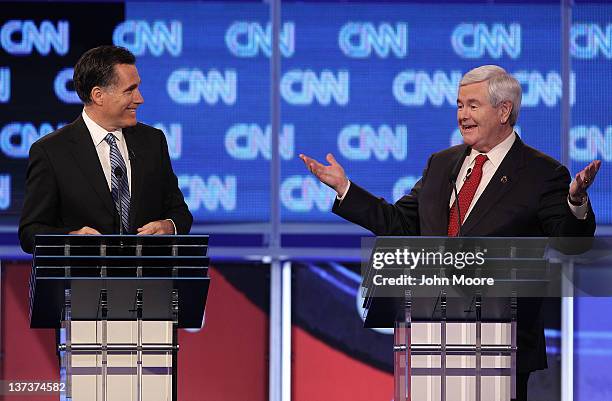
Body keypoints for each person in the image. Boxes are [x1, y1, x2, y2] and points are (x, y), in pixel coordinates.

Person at [300, 65, 601, 400]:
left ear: (504, 111)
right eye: (459, 105)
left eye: (473, 105)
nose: (462, 115)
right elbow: (400, 223)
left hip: (501, 345)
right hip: (432, 337)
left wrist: (575, 201)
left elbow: (572, 243)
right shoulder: (441, 164)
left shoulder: (541, 173)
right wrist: (345, 188)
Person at [19, 45, 192, 254]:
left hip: (148, 278)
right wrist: (70, 238)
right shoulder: (51, 151)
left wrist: (169, 226)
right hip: (82, 280)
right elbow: (30, 232)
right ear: (98, 95)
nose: (139, 99)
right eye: (130, 90)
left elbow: (180, 213)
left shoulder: (153, 141)